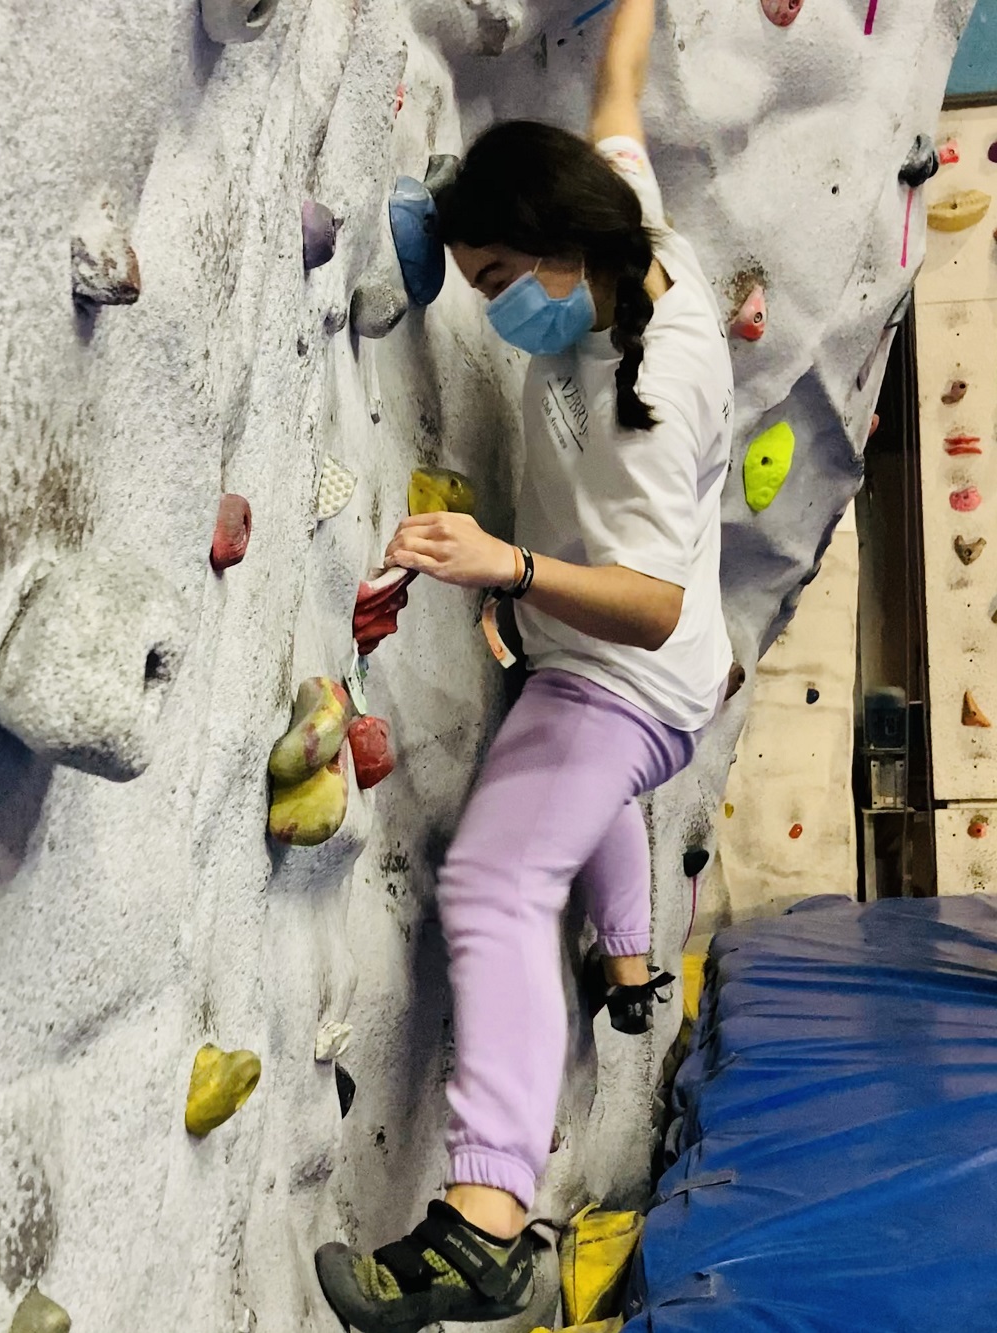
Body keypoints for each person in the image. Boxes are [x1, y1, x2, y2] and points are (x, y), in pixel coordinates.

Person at [315, 1, 734, 1328]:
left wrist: (507, 565)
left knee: (496, 875)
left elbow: (653, 607)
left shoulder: (655, 393)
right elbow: (619, 85)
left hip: (629, 671)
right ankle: (629, 962)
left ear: (560, 254)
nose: (495, 310)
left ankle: (487, 1223)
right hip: (604, 661)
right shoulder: (621, 223)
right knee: (569, 794)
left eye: (499, 281)